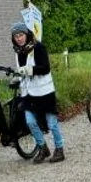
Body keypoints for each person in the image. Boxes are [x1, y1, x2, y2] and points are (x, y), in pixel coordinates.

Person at [12, 22, 65, 163]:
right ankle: (43, 148)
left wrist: (30, 70)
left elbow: (46, 68)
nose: (19, 38)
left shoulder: (38, 47)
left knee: (52, 123)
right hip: (29, 93)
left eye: (21, 35)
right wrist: (16, 78)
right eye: (16, 36)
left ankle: (59, 149)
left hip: (44, 91)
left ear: (27, 34)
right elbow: (20, 70)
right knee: (30, 122)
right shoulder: (18, 51)